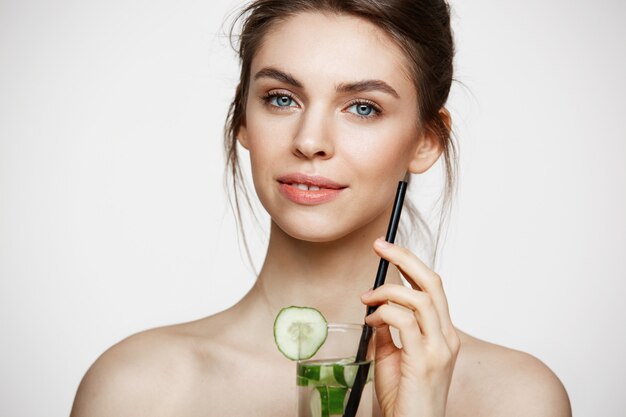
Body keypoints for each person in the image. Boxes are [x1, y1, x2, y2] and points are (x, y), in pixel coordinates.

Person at [70, 1, 572, 416]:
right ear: (243, 117)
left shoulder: (516, 399)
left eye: (363, 107)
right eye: (282, 98)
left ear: (425, 140)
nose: (310, 141)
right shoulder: (136, 391)